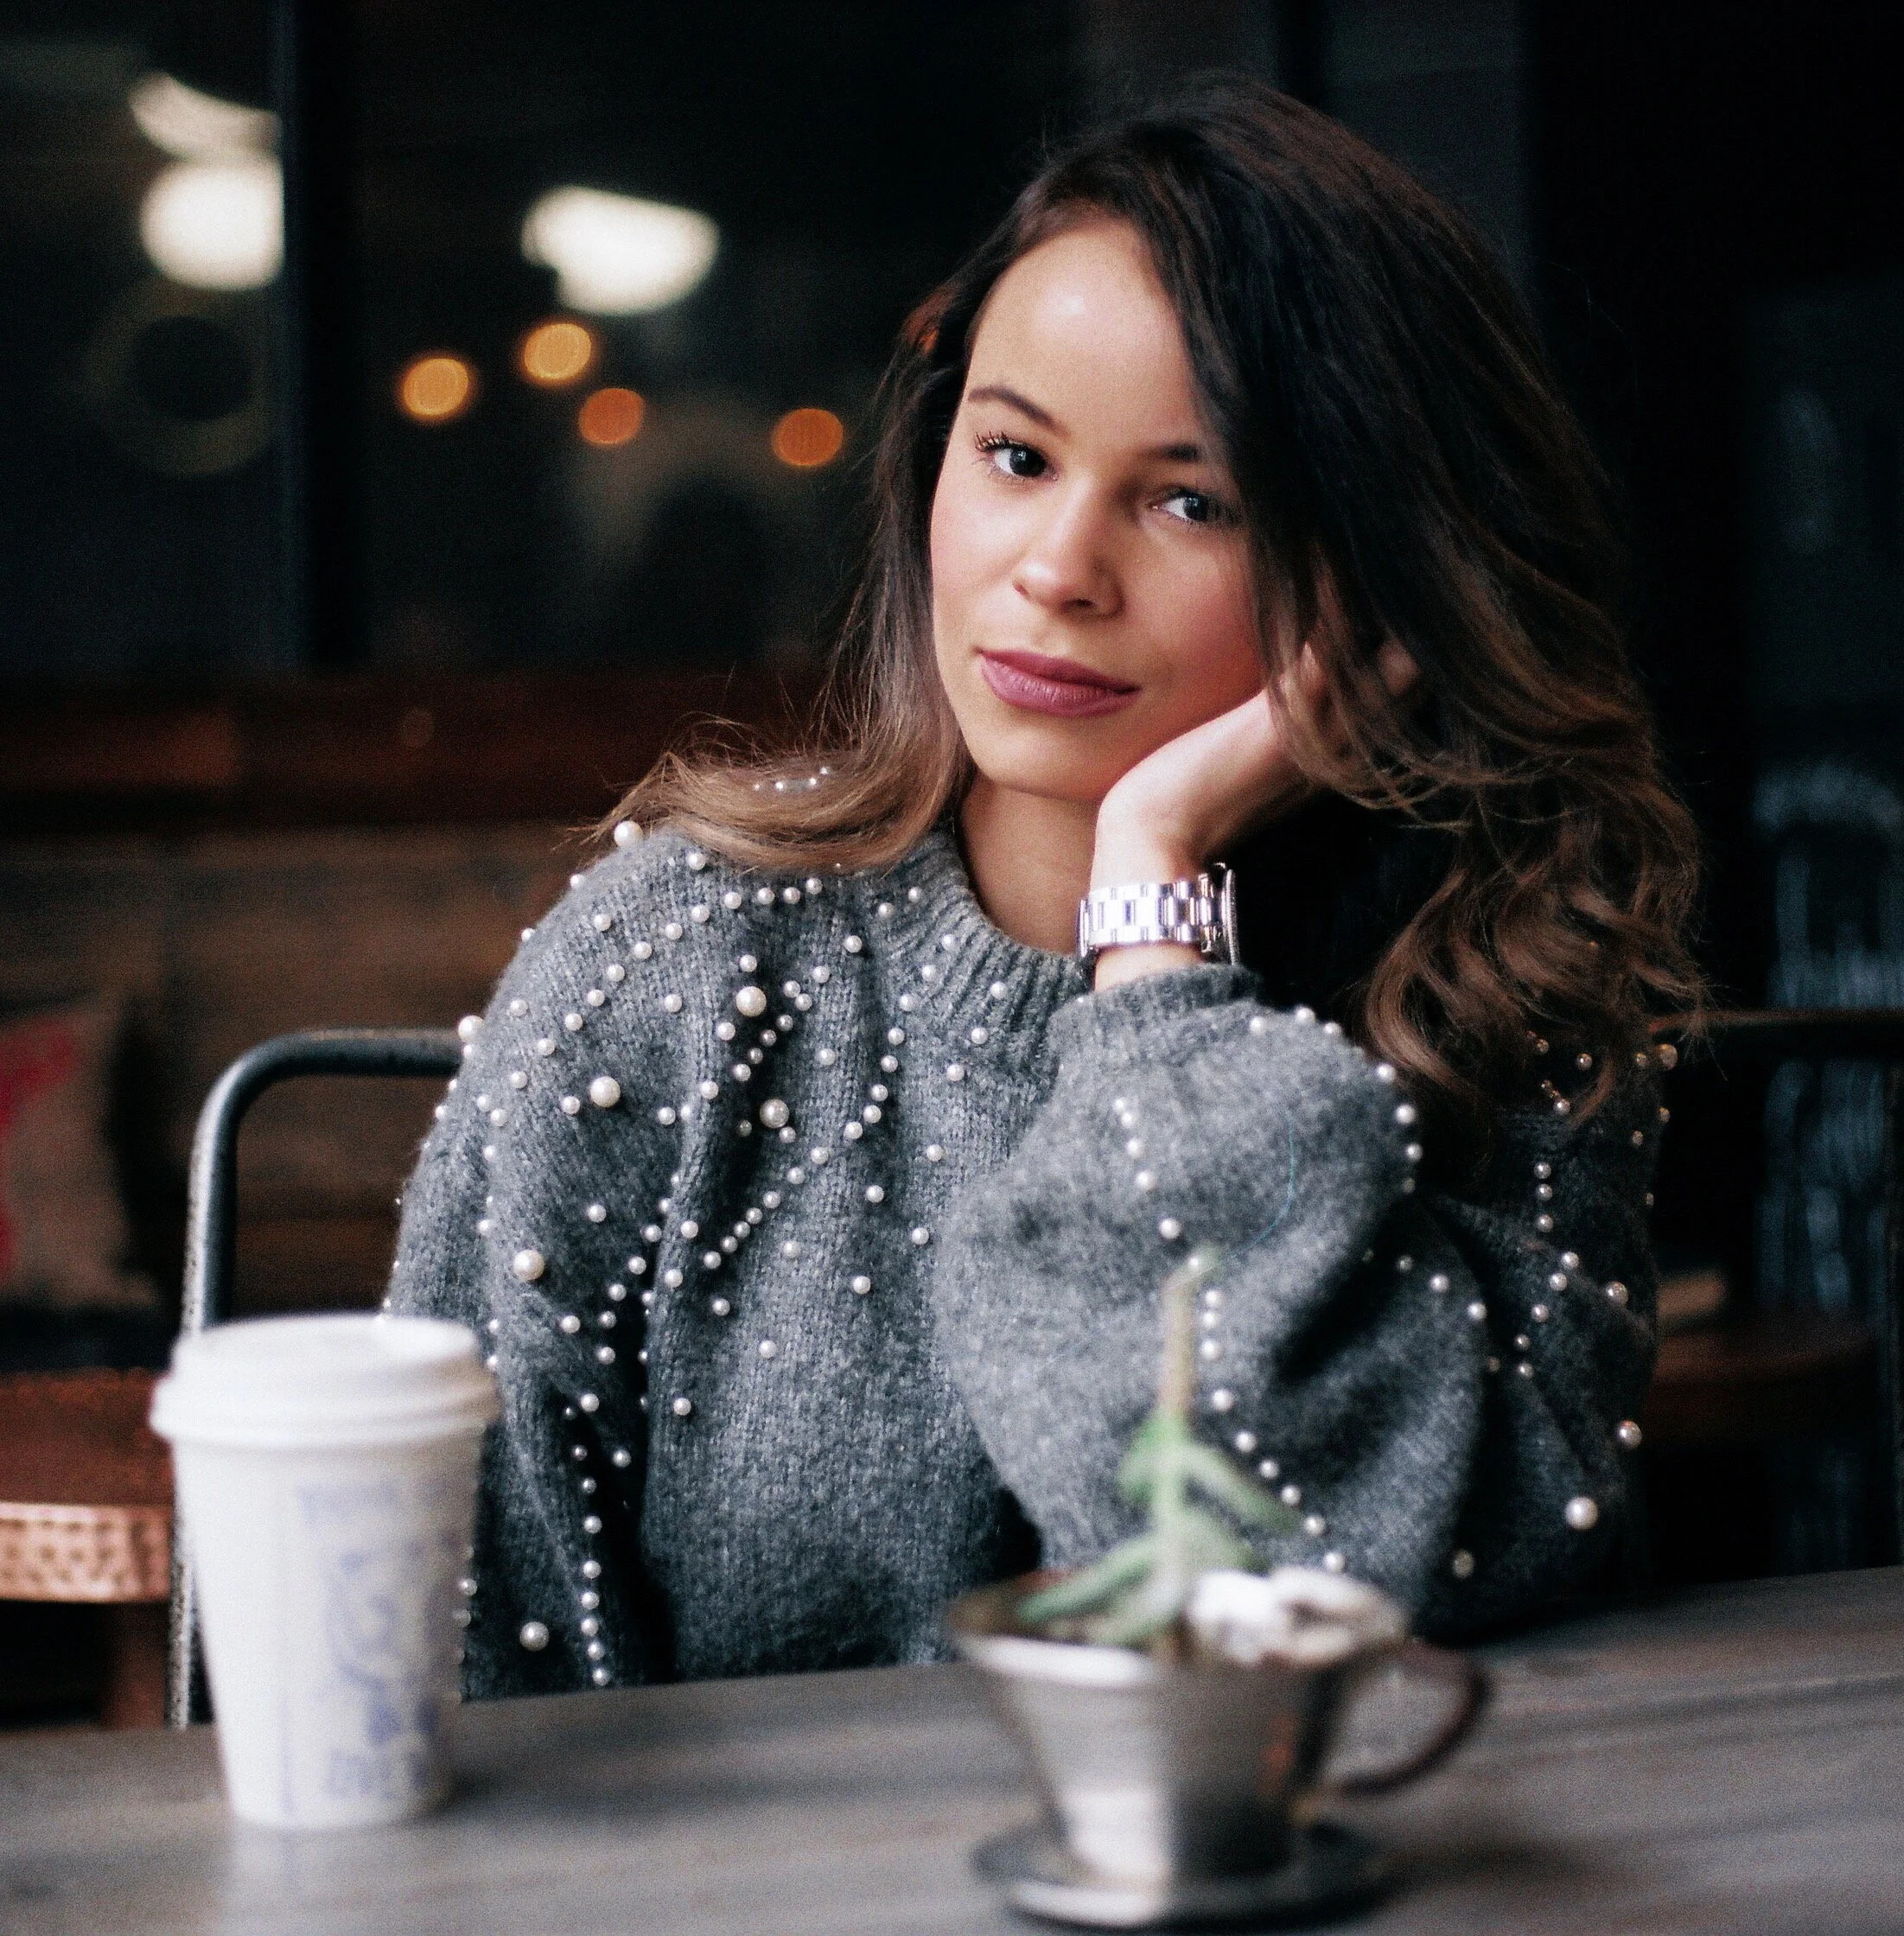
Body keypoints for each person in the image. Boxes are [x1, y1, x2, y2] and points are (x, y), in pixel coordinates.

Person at [391, 77, 1700, 1695]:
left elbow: (1345, 1593)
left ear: (1389, 577)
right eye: (1014, 454)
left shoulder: (1499, 987)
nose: (1060, 568)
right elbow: (450, 1642)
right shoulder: (674, 965)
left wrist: (1154, 914)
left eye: (1190, 499)